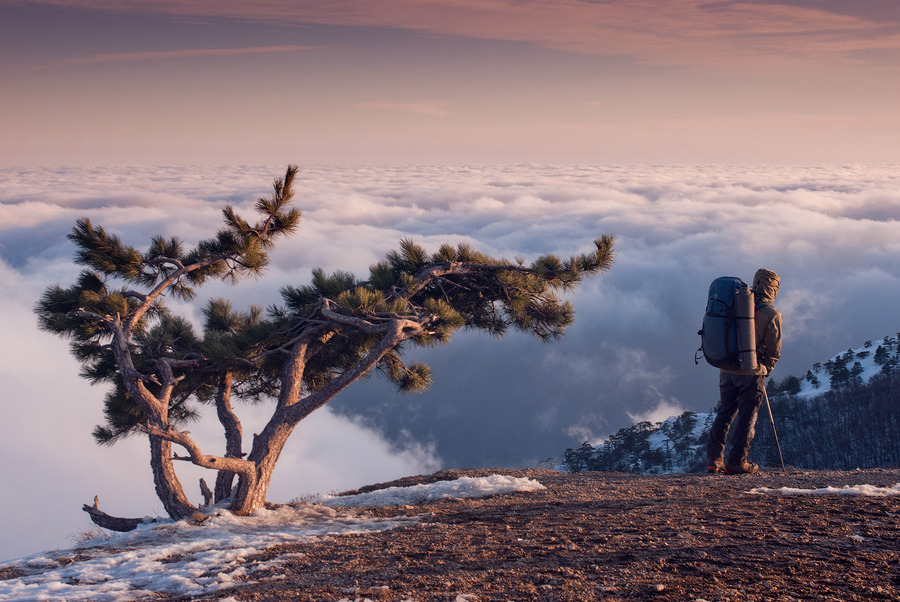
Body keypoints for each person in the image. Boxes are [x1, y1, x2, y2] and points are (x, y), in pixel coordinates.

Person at [706, 268, 782, 475]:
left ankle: (714, 460)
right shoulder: (771, 314)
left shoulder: (735, 304)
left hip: (726, 367)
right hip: (751, 372)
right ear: (773, 288)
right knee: (748, 416)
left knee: (725, 413)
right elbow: (773, 349)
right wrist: (767, 368)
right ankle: (738, 462)